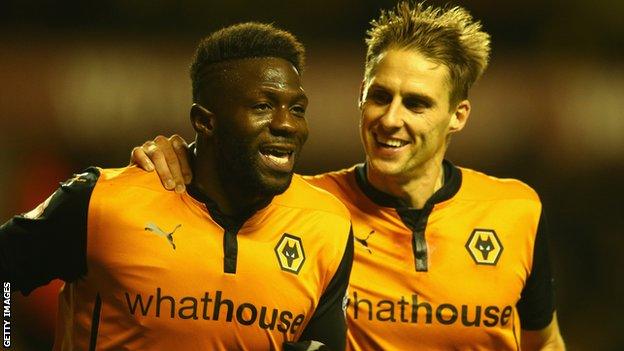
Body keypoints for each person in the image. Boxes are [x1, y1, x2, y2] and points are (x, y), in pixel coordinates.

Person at [132, 2, 566, 350]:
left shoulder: (516, 210)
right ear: (360, 97)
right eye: (379, 96)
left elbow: (542, 340)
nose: (391, 119)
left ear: (458, 115)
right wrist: (174, 154)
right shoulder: (307, 209)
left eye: (416, 104)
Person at [0, 22, 354, 351]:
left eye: (297, 109)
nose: (287, 125)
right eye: (263, 106)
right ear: (205, 122)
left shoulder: (327, 227)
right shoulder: (103, 202)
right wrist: (6, 336)